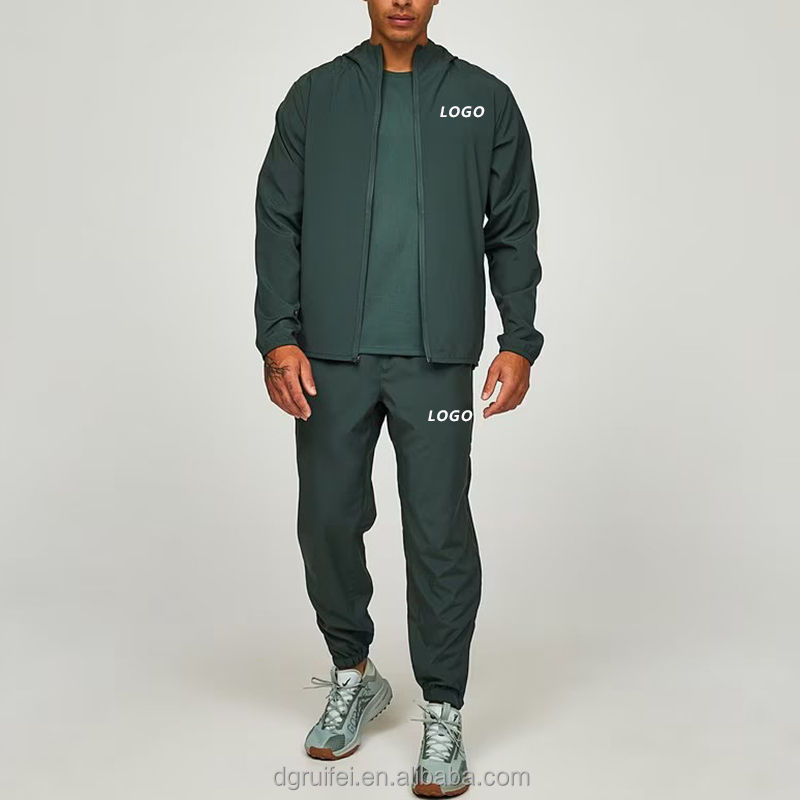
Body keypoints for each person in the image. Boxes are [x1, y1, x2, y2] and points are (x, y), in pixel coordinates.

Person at [254, 0, 543, 794]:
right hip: (329, 359)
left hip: (436, 362)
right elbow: (277, 219)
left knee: (439, 532)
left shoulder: (482, 99)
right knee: (326, 519)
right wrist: (278, 335)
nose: (403, 1)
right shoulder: (316, 96)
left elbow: (513, 226)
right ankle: (354, 673)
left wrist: (518, 339)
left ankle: (443, 709)